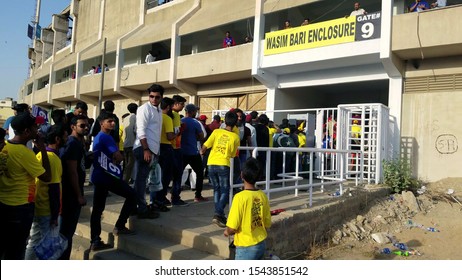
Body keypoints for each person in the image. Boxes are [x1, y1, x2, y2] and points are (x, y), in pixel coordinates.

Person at [0, 113, 51, 259]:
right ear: (27, 131)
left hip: (4, 204)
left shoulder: (4, 147)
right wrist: (42, 149)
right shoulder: (24, 153)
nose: (38, 129)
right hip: (21, 207)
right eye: (35, 127)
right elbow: (46, 177)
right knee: (16, 251)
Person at [90, 111, 137, 251]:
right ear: (101, 123)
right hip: (107, 176)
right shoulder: (106, 137)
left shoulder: (98, 137)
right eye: (109, 121)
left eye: (113, 121)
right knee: (132, 195)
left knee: (97, 209)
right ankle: (120, 226)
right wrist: (118, 158)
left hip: (98, 176)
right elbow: (118, 156)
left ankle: (95, 240)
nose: (112, 123)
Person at [25, 124, 67, 259]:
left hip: (39, 206)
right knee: (48, 249)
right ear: (58, 139)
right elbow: (53, 188)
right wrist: (55, 215)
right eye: (65, 136)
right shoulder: (53, 159)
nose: (67, 138)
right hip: (47, 210)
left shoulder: (41, 155)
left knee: (34, 242)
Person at [224, 157, 271, 260]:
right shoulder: (263, 195)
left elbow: (232, 228)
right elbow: (267, 223)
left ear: (241, 175)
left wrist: (227, 232)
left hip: (246, 246)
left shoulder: (239, 198)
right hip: (261, 243)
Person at [200, 110, 240, 228]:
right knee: (225, 190)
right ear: (235, 122)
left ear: (224, 121)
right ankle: (218, 213)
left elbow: (205, 146)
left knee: (216, 189)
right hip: (224, 164)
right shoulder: (235, 137)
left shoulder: (216, 132)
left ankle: (220, 214)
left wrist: (202, 152)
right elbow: (233, 154)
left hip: (211, 163)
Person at [59, 115, 90, 259]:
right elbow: (72, 171)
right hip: (70, 194)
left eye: (87, 125)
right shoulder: (72, 144)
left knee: (67, 233)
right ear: (73, 127)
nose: (86, 128)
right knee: (66, 233)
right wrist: (79, 195)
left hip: (73, 193)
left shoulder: (79, 143)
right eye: (82, 126)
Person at [132, 84, 163, 219]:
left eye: (157, 97)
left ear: (161, 97)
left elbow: (155, 133)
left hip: (152, 150)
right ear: (148, 96)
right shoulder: (144, 109)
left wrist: (156, 151)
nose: (154, 99)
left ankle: (134, 207)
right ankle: (142, 209)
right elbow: (141, 130)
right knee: (141, 180)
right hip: (143, 148)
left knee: (141, 180)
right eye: (151, 96)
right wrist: (146, 149)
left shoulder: (158, 110)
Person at [181, 104, 207, 202]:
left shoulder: (180, 121)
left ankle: (175, 196)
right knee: (200, 173)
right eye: (195, 111)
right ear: (192, 112)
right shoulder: (195, 122)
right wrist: (195, 137)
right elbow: (202, 136)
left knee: (178, 174)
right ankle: (198, 195)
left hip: (182, 152)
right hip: (193, 152)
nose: (196, 113)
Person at [170, 95, 187, 206]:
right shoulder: (175, 115)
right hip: (175, 147)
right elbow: (176, 132)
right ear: (176, 104)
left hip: (168, 147)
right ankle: (175, 197)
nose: (182, 107)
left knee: (167, 175)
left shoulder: (166, 114)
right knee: (177, 174)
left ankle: (161, 198)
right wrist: (182, 129)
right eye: (182, 104)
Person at [123, 103, 138, 183]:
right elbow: (135, 130)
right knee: (131, 164)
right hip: (133, 144)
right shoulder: (136, 117)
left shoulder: (126, 118)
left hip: (125, 143)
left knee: (126, 164)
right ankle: (126, 180)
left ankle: (127, 178)